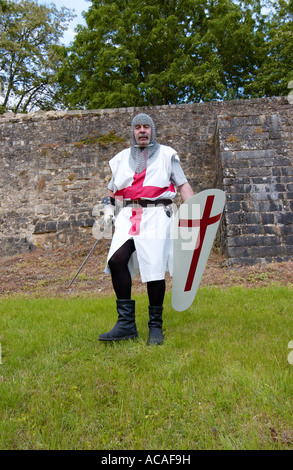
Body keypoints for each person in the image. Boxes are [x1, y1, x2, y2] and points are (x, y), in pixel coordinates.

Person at [98, 113, 194, 345]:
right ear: (132, 131)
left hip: (156, 215)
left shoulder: (166, 154)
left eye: (146, 127)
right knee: (116, 260)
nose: (142, 131)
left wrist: (193, 215)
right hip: (129, 215)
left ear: (152, 130)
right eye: (138, 127)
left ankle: (155, 327)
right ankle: (126, 324)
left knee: (154, 268)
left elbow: (183, 185)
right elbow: (111, 191)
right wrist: (107, 208)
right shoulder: (121, 158)